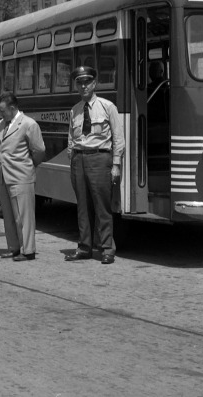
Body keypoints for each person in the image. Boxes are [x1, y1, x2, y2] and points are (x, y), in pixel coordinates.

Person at [65, 65, 125, 264]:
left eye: (87, 82)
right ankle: (84, 247)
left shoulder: (108, 107)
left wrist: (116, 164)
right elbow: (71, 139)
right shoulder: (75, 110)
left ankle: (107, 248)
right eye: (79, 83)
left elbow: (118, 137)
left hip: (100, 158)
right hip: (79, 159)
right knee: (82, 206)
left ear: (94, 83)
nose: (83, 86)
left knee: (102, 206)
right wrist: (72, 157)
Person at [0, 92, 45, 261]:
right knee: (9, 216)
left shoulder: (29, 124)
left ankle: (28, 250)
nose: (0, 114)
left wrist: (28, 165)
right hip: (3, 177)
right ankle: (14, 247)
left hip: (21, 177)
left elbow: (39, 150)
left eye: (3, 111)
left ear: (13, 108)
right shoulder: (1, 124)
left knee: (23, 216)